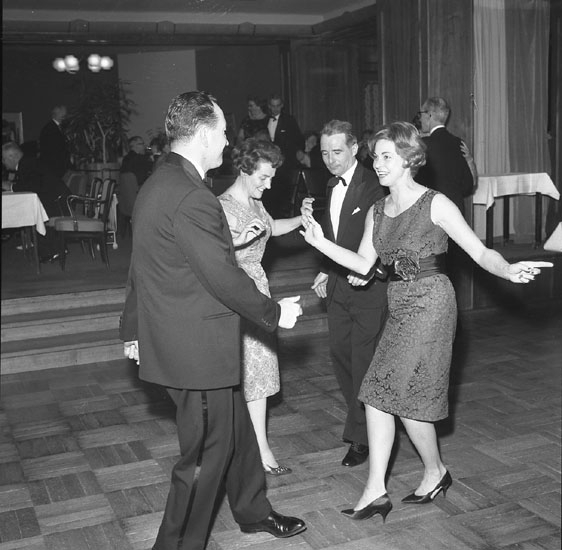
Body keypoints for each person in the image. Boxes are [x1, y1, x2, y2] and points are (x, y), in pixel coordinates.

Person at [300, 121, 552, 521]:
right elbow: (363, 264)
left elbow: (479, 252)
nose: (378, 164)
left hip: (432, 302)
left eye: (387, 157)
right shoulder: (378, 210)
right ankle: (427, 475)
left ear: (409, 159)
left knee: (388, 394)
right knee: (390, 397)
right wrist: (321, 244)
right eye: (376, 157)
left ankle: (382, 487)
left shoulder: (435, 204)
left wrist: (507, 269)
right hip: (399, 303)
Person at [119, 91, 307, 550]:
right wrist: (274, 312)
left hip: (185, 338)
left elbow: (141, 264)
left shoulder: (159, 182)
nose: (227, 141)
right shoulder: (191, 195)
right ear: (204, 133)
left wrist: (132, 328)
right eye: (223, 132)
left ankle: (252, 509)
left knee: (236, 428)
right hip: (196, 351)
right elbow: (222, 276)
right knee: (206, 454)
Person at [218, 138, 312, 475]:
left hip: (259, 289)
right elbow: (210, 255)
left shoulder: (256, 202)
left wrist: (301, 219)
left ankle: (260, 447)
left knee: (257, 372)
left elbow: (271, 229)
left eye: (271, 178)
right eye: (263, 178)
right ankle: (229, 448)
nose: (269, 185)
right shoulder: (221, 207)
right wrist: (238, 240)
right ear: (244, 170)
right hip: (234, 293)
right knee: (234, 375)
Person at [305, 120, 388, 469]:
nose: (330, 159)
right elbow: (335, 233)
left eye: (337, 151)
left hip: (368, 286)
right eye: (325, 153)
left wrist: (368, 268)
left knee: (363, 361)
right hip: (339, 283)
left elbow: (381, 237)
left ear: (354, 148)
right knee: (340, 356)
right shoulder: (330, 183)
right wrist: (326, 269)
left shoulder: (374, 185)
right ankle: (366, 422)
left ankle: (362, 436)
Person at [2, 141, 71, 262]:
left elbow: (32, 185)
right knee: (32, 210)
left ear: (12, 156)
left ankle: (53, 250)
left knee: (35, 212)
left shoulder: (26, 164)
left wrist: (11, 186)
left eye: (3, 159)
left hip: (58, 202)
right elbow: (32, 184)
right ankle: (51, 249)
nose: (3, 162)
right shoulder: (28, 162)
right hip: (57, 198)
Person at [414, 97, 475, 215]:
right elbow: (467, 186)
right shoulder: (459, 143)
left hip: (432, 212)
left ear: (429, 115)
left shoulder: (423, 145)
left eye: (421, 114)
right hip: (456, 211)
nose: (420, 118)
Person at [264, 94, 304, 217]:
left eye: (278, 106)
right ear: (269, 106)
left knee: (282, 196)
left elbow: (298, 140)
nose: (275, 109)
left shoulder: (289, 120)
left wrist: (298, 152)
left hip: (285, 165)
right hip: (268, 162)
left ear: (282, 106)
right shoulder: (265, 120)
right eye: (273, 106)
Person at [39, 105, 71, 178]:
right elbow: (55, 149)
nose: (65, 117)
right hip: (54, 165)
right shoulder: (51, 129)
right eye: (64, 115)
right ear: (57, 115)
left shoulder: (52, 127)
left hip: (54, 165)